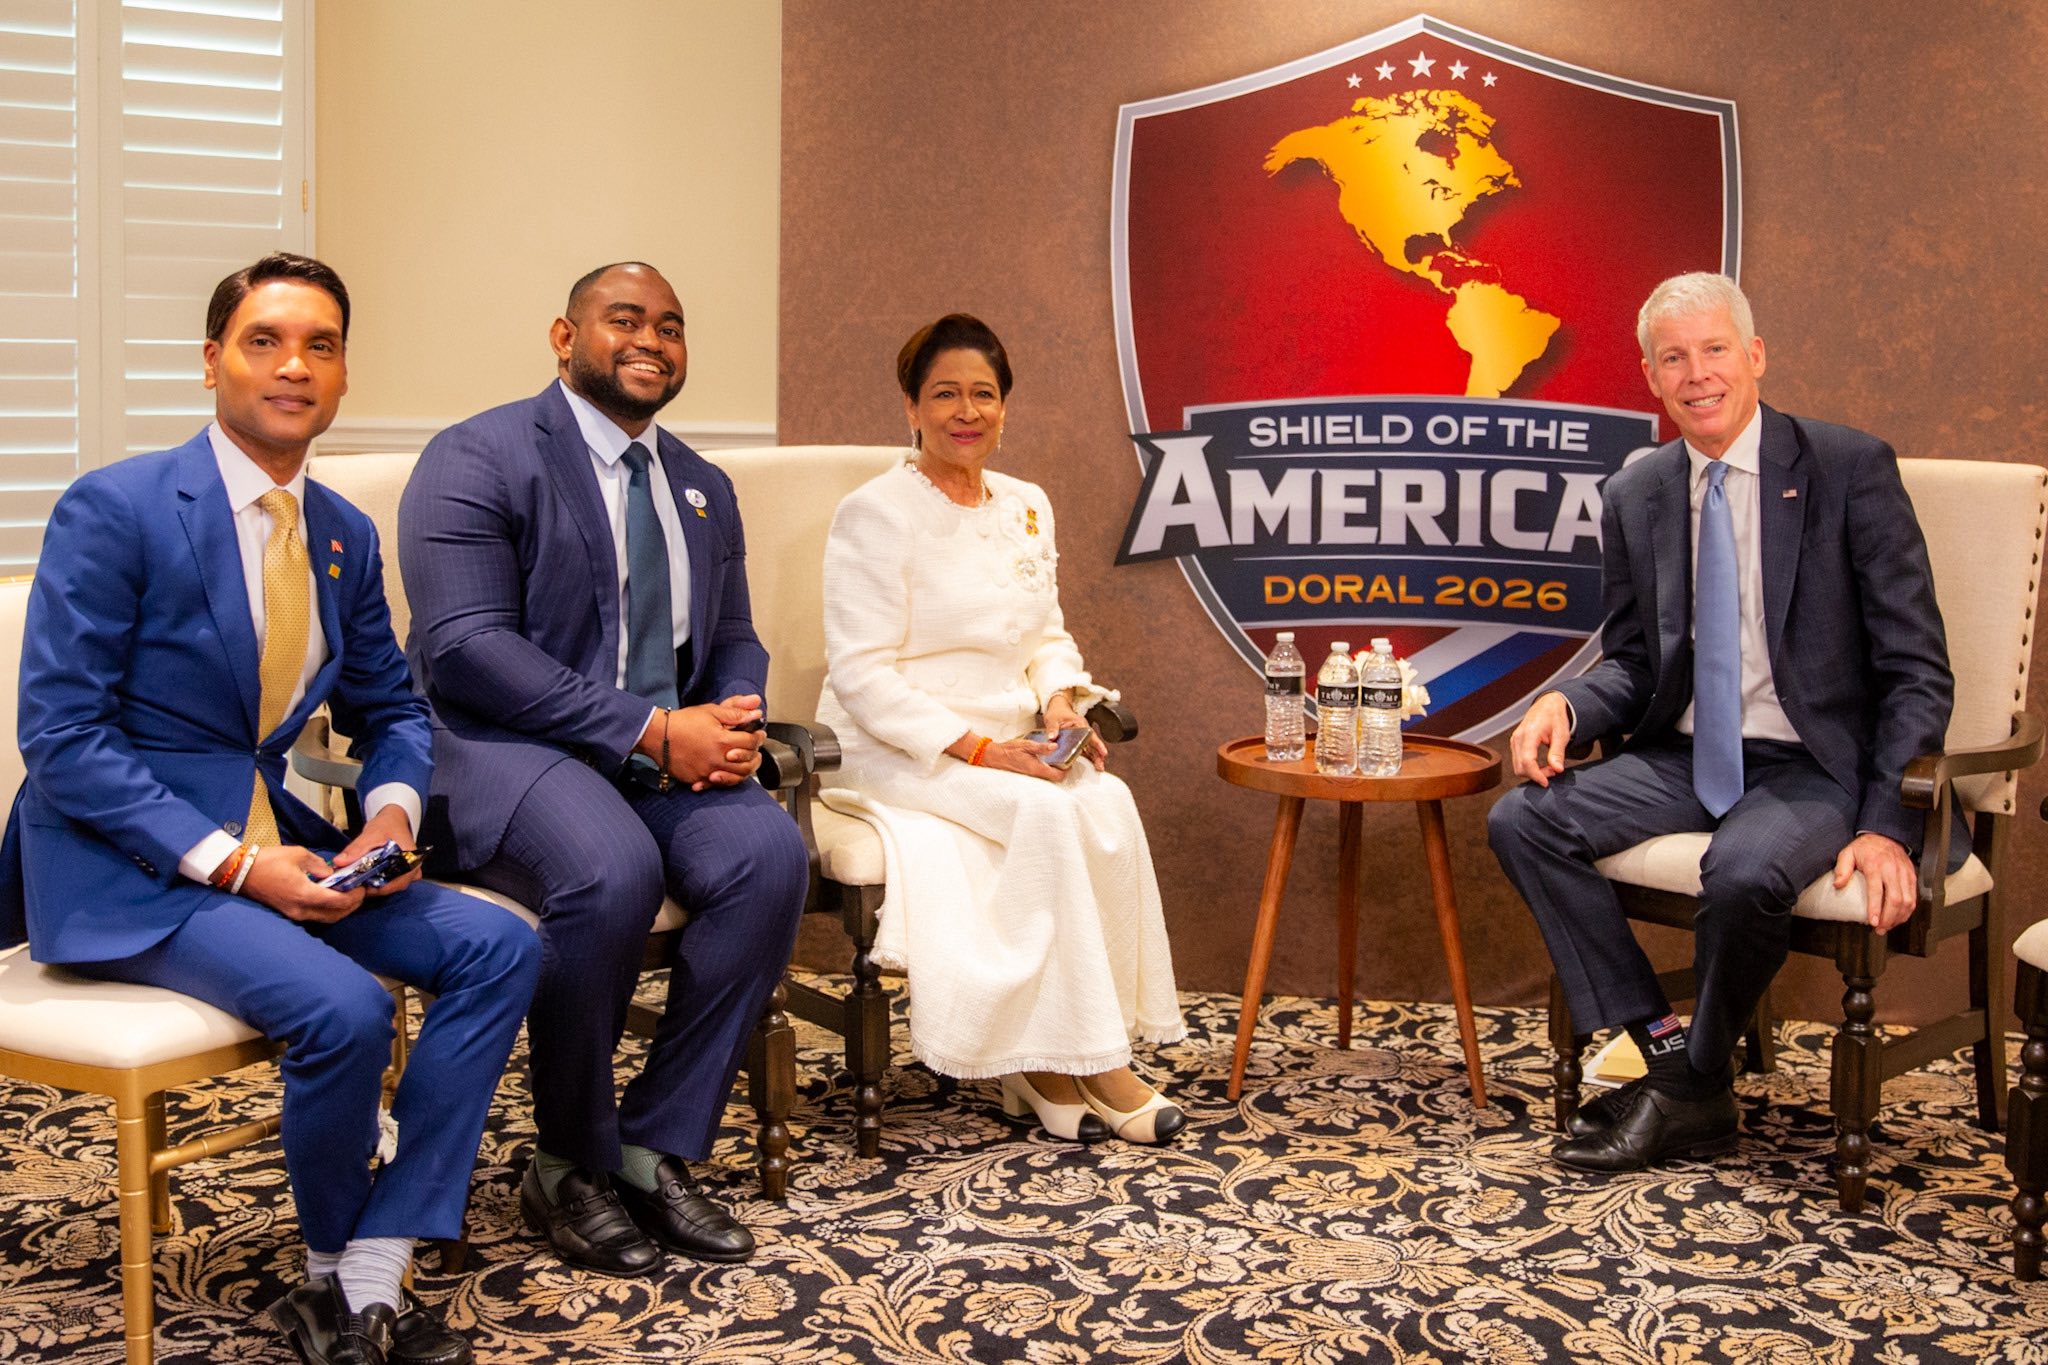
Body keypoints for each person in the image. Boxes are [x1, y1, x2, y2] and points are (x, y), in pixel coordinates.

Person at [0, 253, 540, 1365]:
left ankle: (371, 1261)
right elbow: (60, 739)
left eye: (322, 346)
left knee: (496, 943)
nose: (295, 366)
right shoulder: (118, 507)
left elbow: (392, 706)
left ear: (342, 376)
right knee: (341, 1009)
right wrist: (241, 869)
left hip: (280, 840)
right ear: (212, 362)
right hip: (126, 867)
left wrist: (389, 815)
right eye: (265, 340)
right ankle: (332, 1282)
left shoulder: (341, 530)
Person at [1487, 272, 1957, 1173]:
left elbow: (1915, 669)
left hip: (1816, 764)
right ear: (1650, 378)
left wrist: (1886, 825)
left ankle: (1690, 1088)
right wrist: (1568, 701)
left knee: (1740, 871)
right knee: (1525, 819)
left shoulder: (1848, 468)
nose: (1697, 374)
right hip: (1683, 754)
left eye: (1713, 350)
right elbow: (1632, 660)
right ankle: (1675, 1059)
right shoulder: (1638, 492)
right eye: (1674, 358)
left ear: (1754, 355)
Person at [397, 262, 807, 1277]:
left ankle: (648, 1143)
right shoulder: (477, 456)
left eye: (671, 326)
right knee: (610, 868)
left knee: (768, 858)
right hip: (503, 750)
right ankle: (567, 1157)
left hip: (650, 755)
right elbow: (465, 648)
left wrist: (737, 711)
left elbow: (736, 636)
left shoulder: (702, 487)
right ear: (562, 335)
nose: (651, 341)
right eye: (623, 319)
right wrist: (652, 730)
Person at [817, 313, 1186, 1145]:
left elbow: (1044, 634)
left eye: (983, 393)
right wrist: (982, 750)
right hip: (895, 745)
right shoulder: (873, 513)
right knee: (1046, 812)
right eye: (945, 392)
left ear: (1005, 408)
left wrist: (1061, 701)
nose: (966, 410)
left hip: (1011, 734)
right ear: (911, 406)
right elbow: (863, 674)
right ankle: (1096, 1064)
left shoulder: (1026, 504)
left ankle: (1045, 1053)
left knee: (1107, 803)